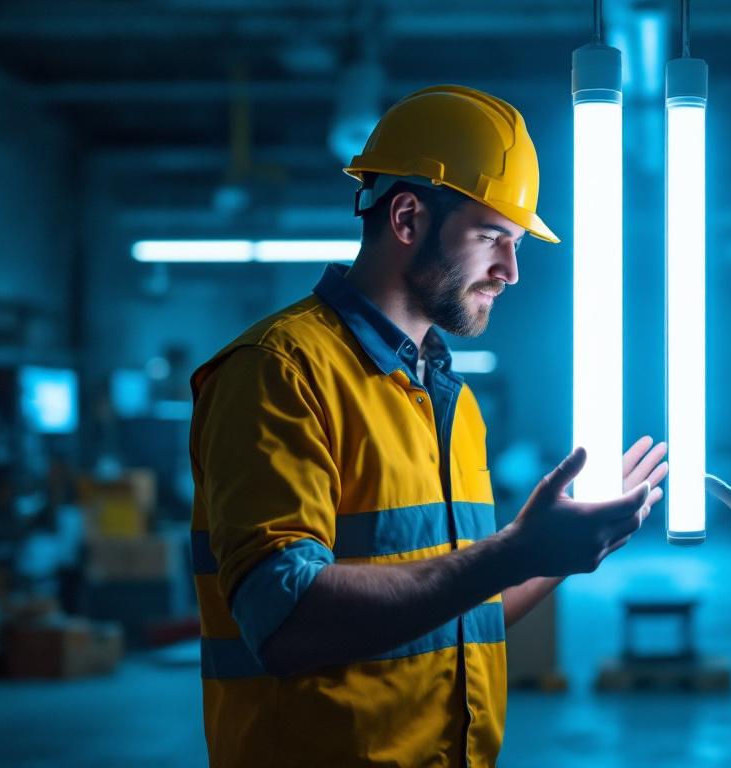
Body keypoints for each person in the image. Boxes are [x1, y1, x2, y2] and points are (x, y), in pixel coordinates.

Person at [189, 85, 668, 768]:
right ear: (408, 218)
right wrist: (512, 551)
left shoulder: (449, 400)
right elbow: (285, 617)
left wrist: (562, 546)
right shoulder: (279, 371)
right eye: (493, 238)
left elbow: (459, 610)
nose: (511, 271)